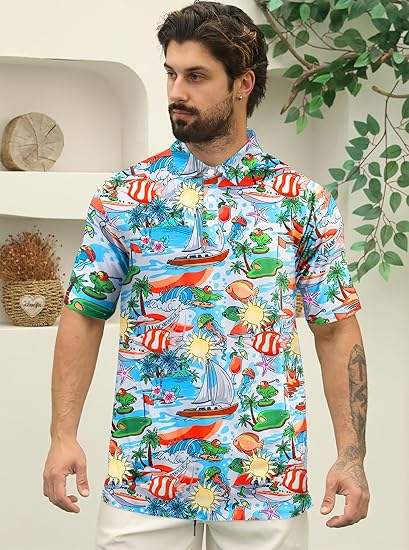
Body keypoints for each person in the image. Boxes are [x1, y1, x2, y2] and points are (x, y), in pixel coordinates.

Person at [42, 1, 370, 549]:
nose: (177, 91)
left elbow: (336, 330)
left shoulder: (301, 201)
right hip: (144, 475)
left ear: (243, 84)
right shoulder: (126, 196)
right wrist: (62, 436)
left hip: (264, 480)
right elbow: (84, 312)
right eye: (171, 73)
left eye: (196, 76)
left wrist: (352, 457)